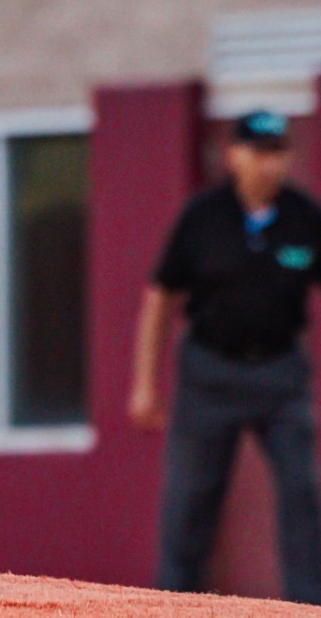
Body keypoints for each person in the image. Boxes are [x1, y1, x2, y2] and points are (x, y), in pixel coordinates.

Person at [130, 110, 321, 601]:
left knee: (304, 497)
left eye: (278, 152)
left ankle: (308, 606)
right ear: (233, 156)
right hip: (209, 375)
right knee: (190, 505)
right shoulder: (203, 216)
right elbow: (159, 299)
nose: (269, 165)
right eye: (259, 153)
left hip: (280, 374)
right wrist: (145, 384)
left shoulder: (304, 216)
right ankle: (174, 606)